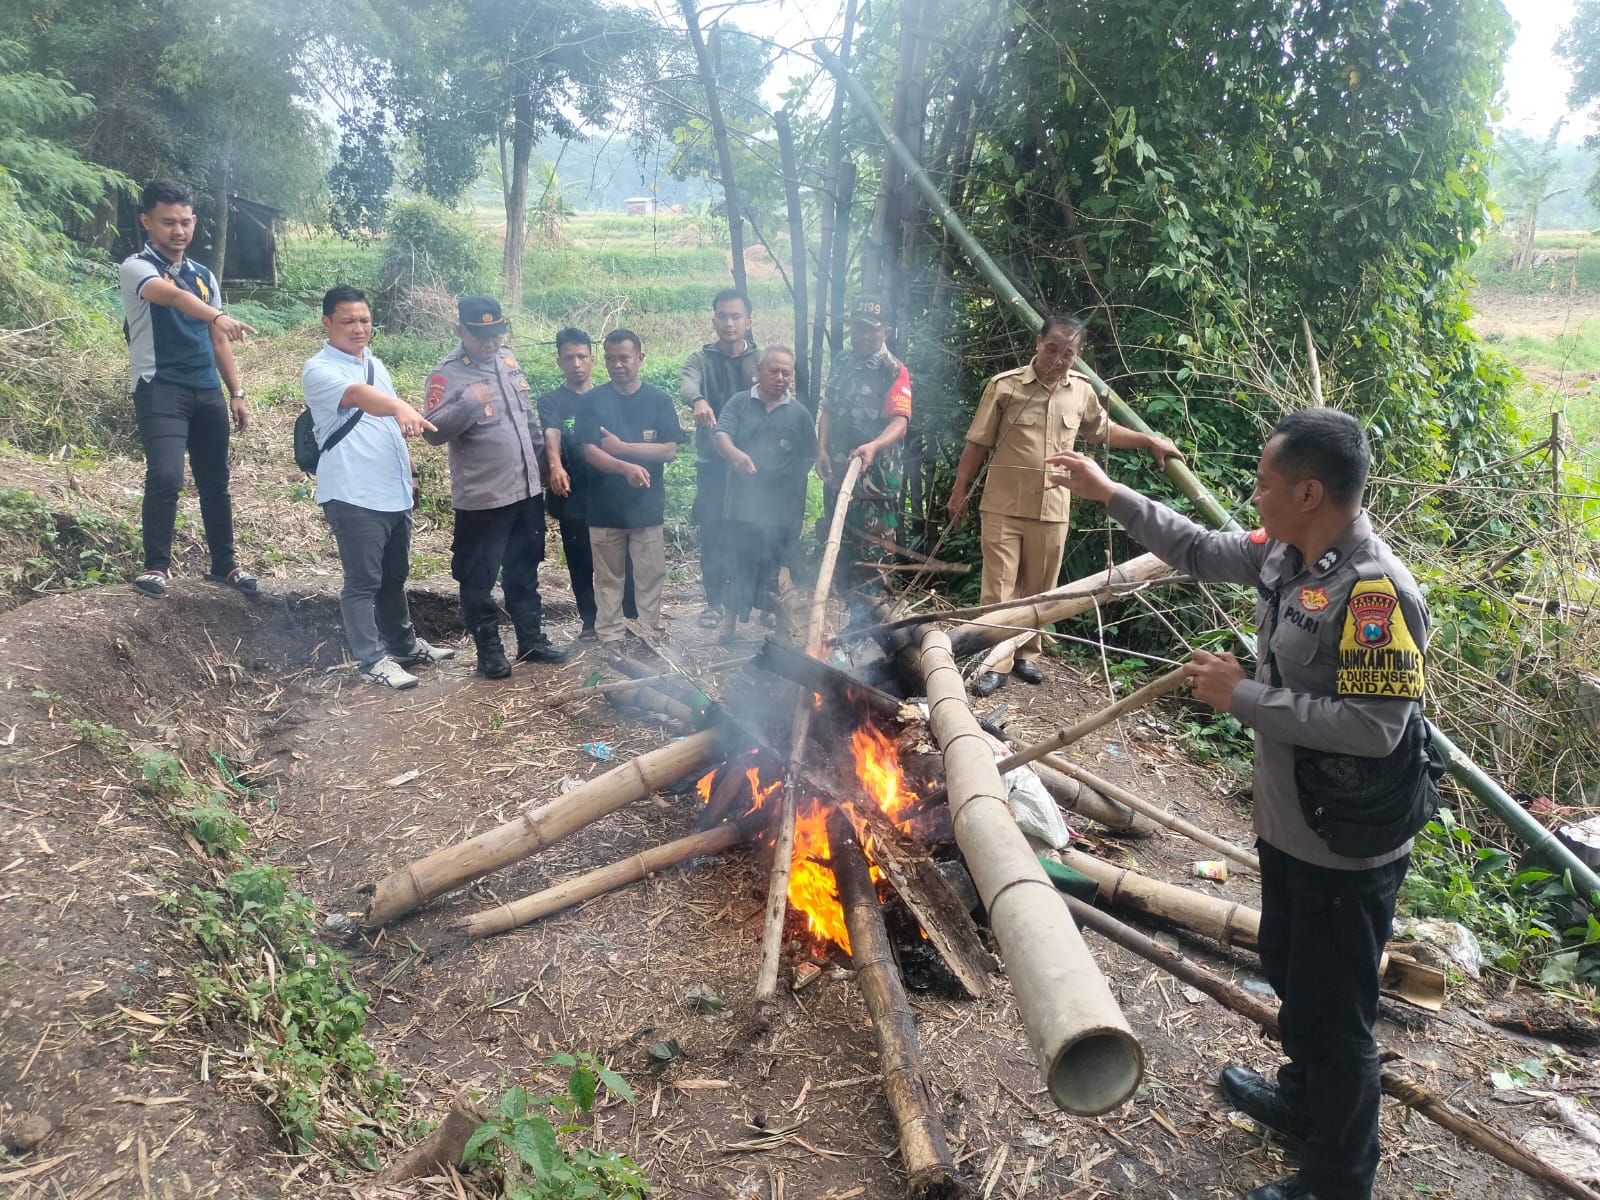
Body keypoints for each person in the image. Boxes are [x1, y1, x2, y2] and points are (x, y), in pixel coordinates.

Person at [1048, 409, 1429, 1200]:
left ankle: (1338, 1178)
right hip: (1292, 827)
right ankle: (1302, 1103)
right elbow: (1196, 547)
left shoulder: (1371, 594)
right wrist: (1108, 490)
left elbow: (1375, 728)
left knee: (1337, 1015)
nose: (1253, 497)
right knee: (1292, 969)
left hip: (1344, 848)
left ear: (1311, 492)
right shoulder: (1291, 555)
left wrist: (1243, 695)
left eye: (1265, 483)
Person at [946, 314, 1184, 697]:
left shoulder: (1082, 391)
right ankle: (994, 661)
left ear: (1078, 355)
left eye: (1068, 352)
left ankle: (1026, 653)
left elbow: (1103, 430)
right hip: (1003, 504)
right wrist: (959, 493)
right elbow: (977, 444)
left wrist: (1149, 440)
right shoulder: (1004, 387)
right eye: (1052, 348)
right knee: (998, 589)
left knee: (1043, 590)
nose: (1058, 358)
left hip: (1053, 507)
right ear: (1038, 344)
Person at [302, 285, 455, 690]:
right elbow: (358, 397)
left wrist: (413, 472)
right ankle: (372, 660)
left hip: (393, 490)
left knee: (394, 577)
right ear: (327, 323)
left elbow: (390, 425)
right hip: (353, 492)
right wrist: (403, 406)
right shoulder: (319, 369)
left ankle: (404, 646)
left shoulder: (376, 364)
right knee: (362, 582)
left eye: (365, 320)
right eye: (348, 321)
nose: (358, 329)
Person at [120, 178, 259, 599]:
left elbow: (217, 340)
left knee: (215, 480)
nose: (178, 231)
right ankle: (156, 567)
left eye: (184, 222)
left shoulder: (203, 276)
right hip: (159, 387)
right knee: (165, 475)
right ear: (147, 221)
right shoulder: (136, 268)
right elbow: (173, 299)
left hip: (206, 390)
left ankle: (224, 565)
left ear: (194, 222)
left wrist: (236, 392)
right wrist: (217, 315)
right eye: (167, 222)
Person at [424, 297, 569, 678]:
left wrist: (544, 467)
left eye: (497, 333)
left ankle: (531, 640)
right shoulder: (447, 374)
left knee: (524, 569)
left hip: (525, 492)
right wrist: (470, 402)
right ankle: (489, 650)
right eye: (481, 335)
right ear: (461, 331)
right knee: (478, 577)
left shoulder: (508, 361)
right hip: (484, 500)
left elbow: (528, 419)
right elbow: (433, 432)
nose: (491, 342)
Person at [578, 330, 687, 653]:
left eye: (624, 357)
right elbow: (590, 451)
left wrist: (624, 448)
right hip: (604, 506)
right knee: (609, 577)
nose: (617, 364)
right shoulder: (592, 401)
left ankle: (648, 631)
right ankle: (610, 635)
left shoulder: (658, 400)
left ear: (640, 357)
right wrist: (625, 467)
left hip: (647, 505)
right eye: (610, 358)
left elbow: (669, 450)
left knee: (650, 574)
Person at [815, 294, 912, 619]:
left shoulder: (893, 370)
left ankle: (878, 632)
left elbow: (899, 423)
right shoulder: (842, 360)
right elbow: (828, 408)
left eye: (873, 329)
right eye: (859, 328)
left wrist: (873, 446)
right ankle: (851, 626)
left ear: (886, 330)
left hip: (875, 483)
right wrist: (822, 449)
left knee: (874, 559)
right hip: (840, 475)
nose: (865, 336)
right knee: (840, 549)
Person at [712, 345, 817, 642]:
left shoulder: (798, 414)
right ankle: (729, 628)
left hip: (783, 512)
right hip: (741, 507)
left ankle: (780, 632)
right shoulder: (740, 403)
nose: (781, 378)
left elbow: (810, 455)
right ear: (758, 371)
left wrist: (789, 478)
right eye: (774, 371)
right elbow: (721, 435)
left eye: (787, 373)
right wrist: (737, 456)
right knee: (736, 566)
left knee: (778, 571)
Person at [537, 327, 635, 640]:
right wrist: (554, 465)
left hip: (611, 494)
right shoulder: (552, 401)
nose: (576, 363)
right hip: (573, 495)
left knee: (623, 559)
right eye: (569, 357)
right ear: (559, 362)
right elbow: (551, 432)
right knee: (580, 561)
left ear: (593, 360)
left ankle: (629, 616)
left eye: (582, 356)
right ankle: (590, 621)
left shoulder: (612, 396)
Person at [681, 289, 759, 629]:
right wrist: (698, 400)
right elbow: (687, 384)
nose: (729, 323)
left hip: (752, 465)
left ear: (748, 322)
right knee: (713, 531)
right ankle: (713, 602)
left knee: (751, 531)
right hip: (713, 464)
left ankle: (748, 602)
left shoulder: (761, 360)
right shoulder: (701, 359)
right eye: (723, 316)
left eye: (736, 316)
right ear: (714, 320)